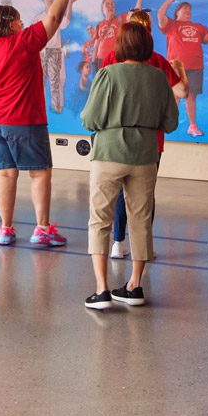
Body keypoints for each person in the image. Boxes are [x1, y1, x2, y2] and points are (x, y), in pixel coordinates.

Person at [0, 0, 81, 248]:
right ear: (11, 25)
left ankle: (6, 230)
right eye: (19, 20)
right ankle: (42, 229)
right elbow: (54, 17)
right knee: (39, 171)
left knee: (6, 173)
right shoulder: (23, 42)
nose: (22, 24)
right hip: (22, 121)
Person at [80, 18, 179, 310]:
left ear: (120, 45)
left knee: (100, 220)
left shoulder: (108, 74)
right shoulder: (159, 77)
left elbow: (90, 119)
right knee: (140, 219)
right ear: (148, 45)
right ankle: (135, 286)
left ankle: (101, 290)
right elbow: (171, 123)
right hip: (145, 156)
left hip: (109, 153)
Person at [108, 6, 186, 258]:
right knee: (145, 196)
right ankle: (144, 248)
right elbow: (181, 92)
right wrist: (181, 71)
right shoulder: (158, 61)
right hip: (151, 142)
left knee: (121, 192)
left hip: (117, 139)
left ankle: (117, 243)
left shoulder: (113, 59)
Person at [156, 0, 208, 137]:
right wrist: (168, 1)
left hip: (196, 67)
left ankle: (192, 126)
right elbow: (160, 15)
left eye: (190, 9)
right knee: (176, 95)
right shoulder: (171, 25)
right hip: (177, 66)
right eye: (184, 8)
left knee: (191, 97)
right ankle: (168, 122)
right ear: (177, 12)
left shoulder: (197, 27)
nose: (188, 10)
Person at [77, 0, 121, 92]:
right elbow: (97, 43)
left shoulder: (119, 21)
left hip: (115, 58)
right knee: (102, 87)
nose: (110, 6)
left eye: (112, 4)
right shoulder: (99, 24)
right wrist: (93, 62)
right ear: (103, 9)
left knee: (116, 86)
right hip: (101, 59)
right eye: (107, 4)